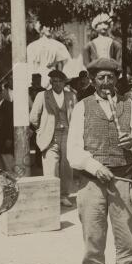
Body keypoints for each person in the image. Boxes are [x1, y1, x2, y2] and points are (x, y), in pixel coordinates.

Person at [67, 58, 132, 264]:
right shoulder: (82, 107)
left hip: (123, 180)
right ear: (92, 80)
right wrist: (94, 167)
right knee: (94, 238)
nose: (106, 83)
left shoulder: (129, 105)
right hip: (92, 181)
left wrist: (131, 144)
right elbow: (73, 151)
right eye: (101, 78)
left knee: (126, 239)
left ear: (117, 79)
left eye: (111, 77)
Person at [30, 69, 77, 207]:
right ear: (50, 82)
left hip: (67, 135)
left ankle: (63, 195)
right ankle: (51, 197)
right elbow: (33, 117)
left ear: (64, 83)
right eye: (54, 81)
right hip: (50, 137)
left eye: (59, 81)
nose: (56, 84)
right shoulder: (42, 95)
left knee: (66, 168)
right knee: (51, 168)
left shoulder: (71, 96)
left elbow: (77, 116)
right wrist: (41, 130)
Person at [27, 23, 71, 89]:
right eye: (47, 26)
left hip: (36, 80)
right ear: (41, 29)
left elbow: (29, 67)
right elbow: (67, 64)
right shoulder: (58, 45)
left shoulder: (31, 46)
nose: (49, 28)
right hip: (52, 79)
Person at [0, 86, 14, 173]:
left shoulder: (9, 106)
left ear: (1, 94)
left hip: (6, 141)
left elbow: (11, 124)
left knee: (9, 164)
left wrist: (10, 138)